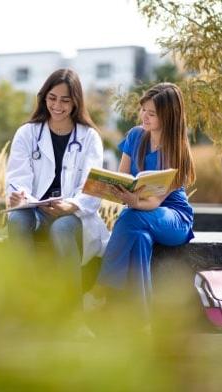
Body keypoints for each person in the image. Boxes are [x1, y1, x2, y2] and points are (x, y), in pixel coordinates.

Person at [5, 68, 110, 312]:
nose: (57, 105)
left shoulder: (89, 137)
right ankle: (25, 304)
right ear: (44, 98)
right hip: (35, 208)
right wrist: (19, 195)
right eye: (52, 98)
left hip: (74, 212)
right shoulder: (28, 133)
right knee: (18, 221)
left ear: (76, 102)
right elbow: (17, 176)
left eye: (65, 100)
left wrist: (72, 205)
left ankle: (72, 314)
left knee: (63, 228)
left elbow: (93, 186)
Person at [87, 82, 196, 316]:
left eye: (152, 113)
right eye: (143, 110)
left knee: (131, 217)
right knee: (139, 238)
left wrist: (132, 202)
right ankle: (142, 321)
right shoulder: (136, 135)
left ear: (168, 116)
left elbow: (155, 203)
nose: (144, 116)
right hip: (139, 213)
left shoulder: (176, 150)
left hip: (173, 218)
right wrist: (114, 188)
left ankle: (100, 288)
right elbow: (123, 176)